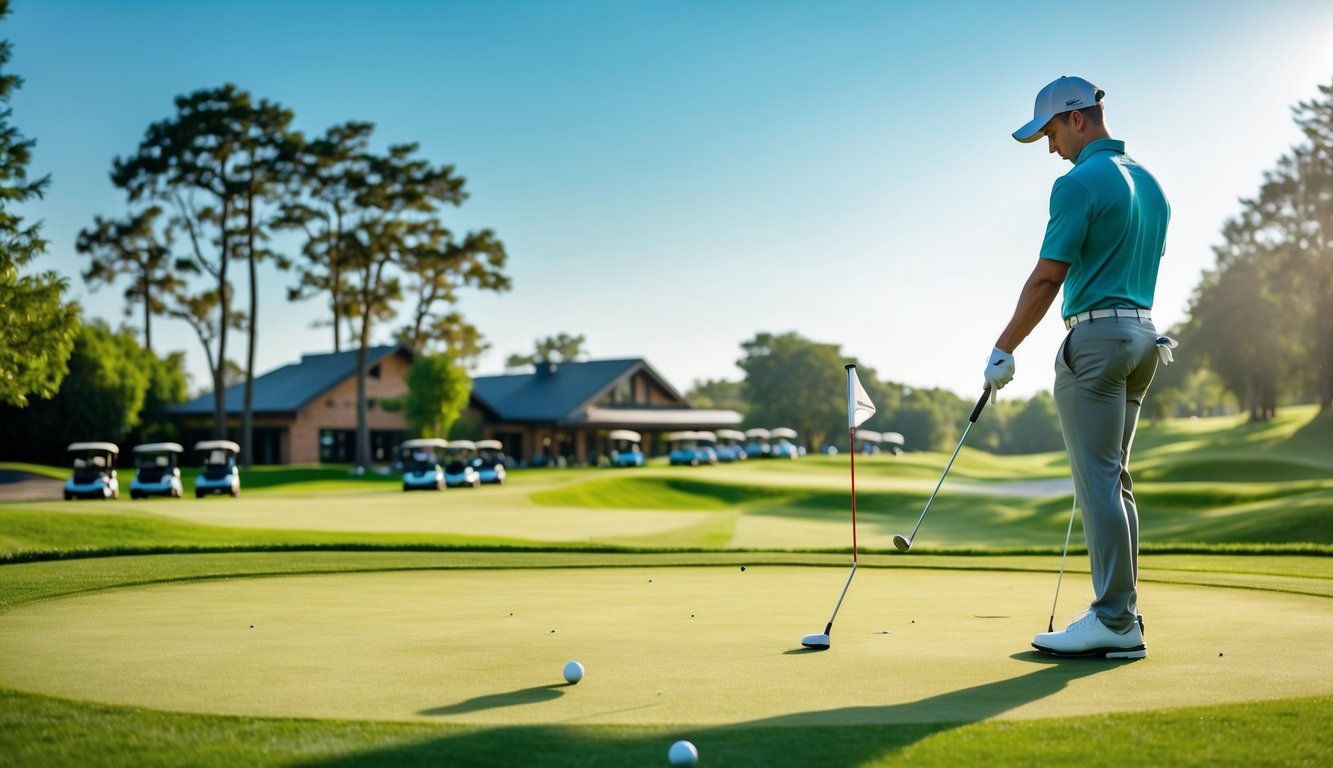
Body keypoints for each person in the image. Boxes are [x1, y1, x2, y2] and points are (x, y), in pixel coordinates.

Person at [985, 76, 1172, 659]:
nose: (1049, 147)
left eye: (1050, 132)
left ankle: (1114, 619)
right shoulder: (1151, 182)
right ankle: (1123, 616)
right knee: (1116, 481)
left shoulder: (1077, 184)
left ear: (1077, 119)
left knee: (1098, 484)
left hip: (1094, 342)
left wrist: (1003, 346)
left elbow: (1048, 276)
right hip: (1144, 338)